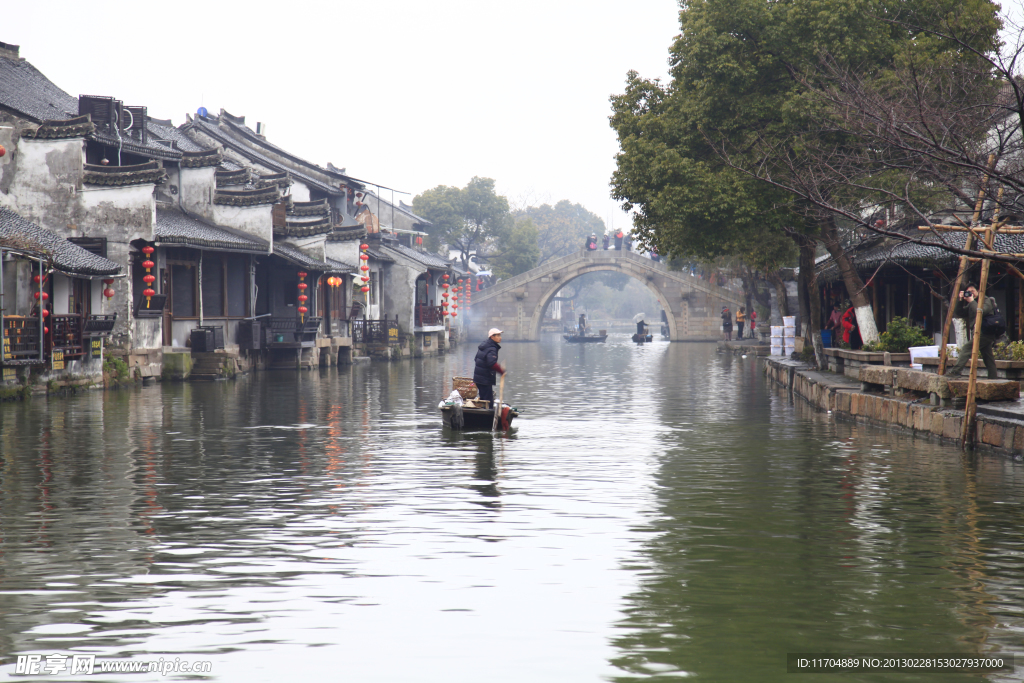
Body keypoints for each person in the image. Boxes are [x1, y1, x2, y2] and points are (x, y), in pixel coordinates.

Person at [946, 283, 999, 378]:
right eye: (968, 292)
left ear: (978, 291)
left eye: (973, 291)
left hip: (985, 332)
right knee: (988, 357)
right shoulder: (972, 303)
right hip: (978, 332)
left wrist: (971, 301)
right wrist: (960, 300)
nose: (971, 294)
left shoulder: (986, 300)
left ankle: (956, 372)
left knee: (966, 348)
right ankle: (993, 377)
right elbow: (959, 312)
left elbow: (980, 312)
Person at [474, 328, 505, 404]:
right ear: (492, 337)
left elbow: (476, 359)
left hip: (478, 378)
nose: (500, 337)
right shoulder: (492, 348)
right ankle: (488, 415)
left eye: (500, 335)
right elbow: (491, 363)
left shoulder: (484, 345)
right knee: (488, 402)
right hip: (485, 379)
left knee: (483, 400)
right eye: (498, 335)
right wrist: (501, 371)